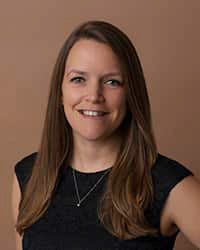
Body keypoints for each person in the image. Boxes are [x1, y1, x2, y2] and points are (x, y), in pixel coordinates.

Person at [12, 20, 200, 250]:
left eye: (112, 82)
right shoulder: (29, 177)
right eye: (78, 79)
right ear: (60, 92)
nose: (94, 95)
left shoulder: (168, 184)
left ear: (131, 94)